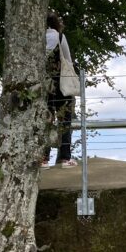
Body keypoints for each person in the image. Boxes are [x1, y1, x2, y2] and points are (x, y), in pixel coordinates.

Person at [43, 12, 77, 167]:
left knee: (45, 121)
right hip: (62, 85)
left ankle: (42, 158)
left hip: (44, 86)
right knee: (65, 121)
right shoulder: (60, 37)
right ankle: (64, 157)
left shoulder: (37, 39)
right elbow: (68, 61)